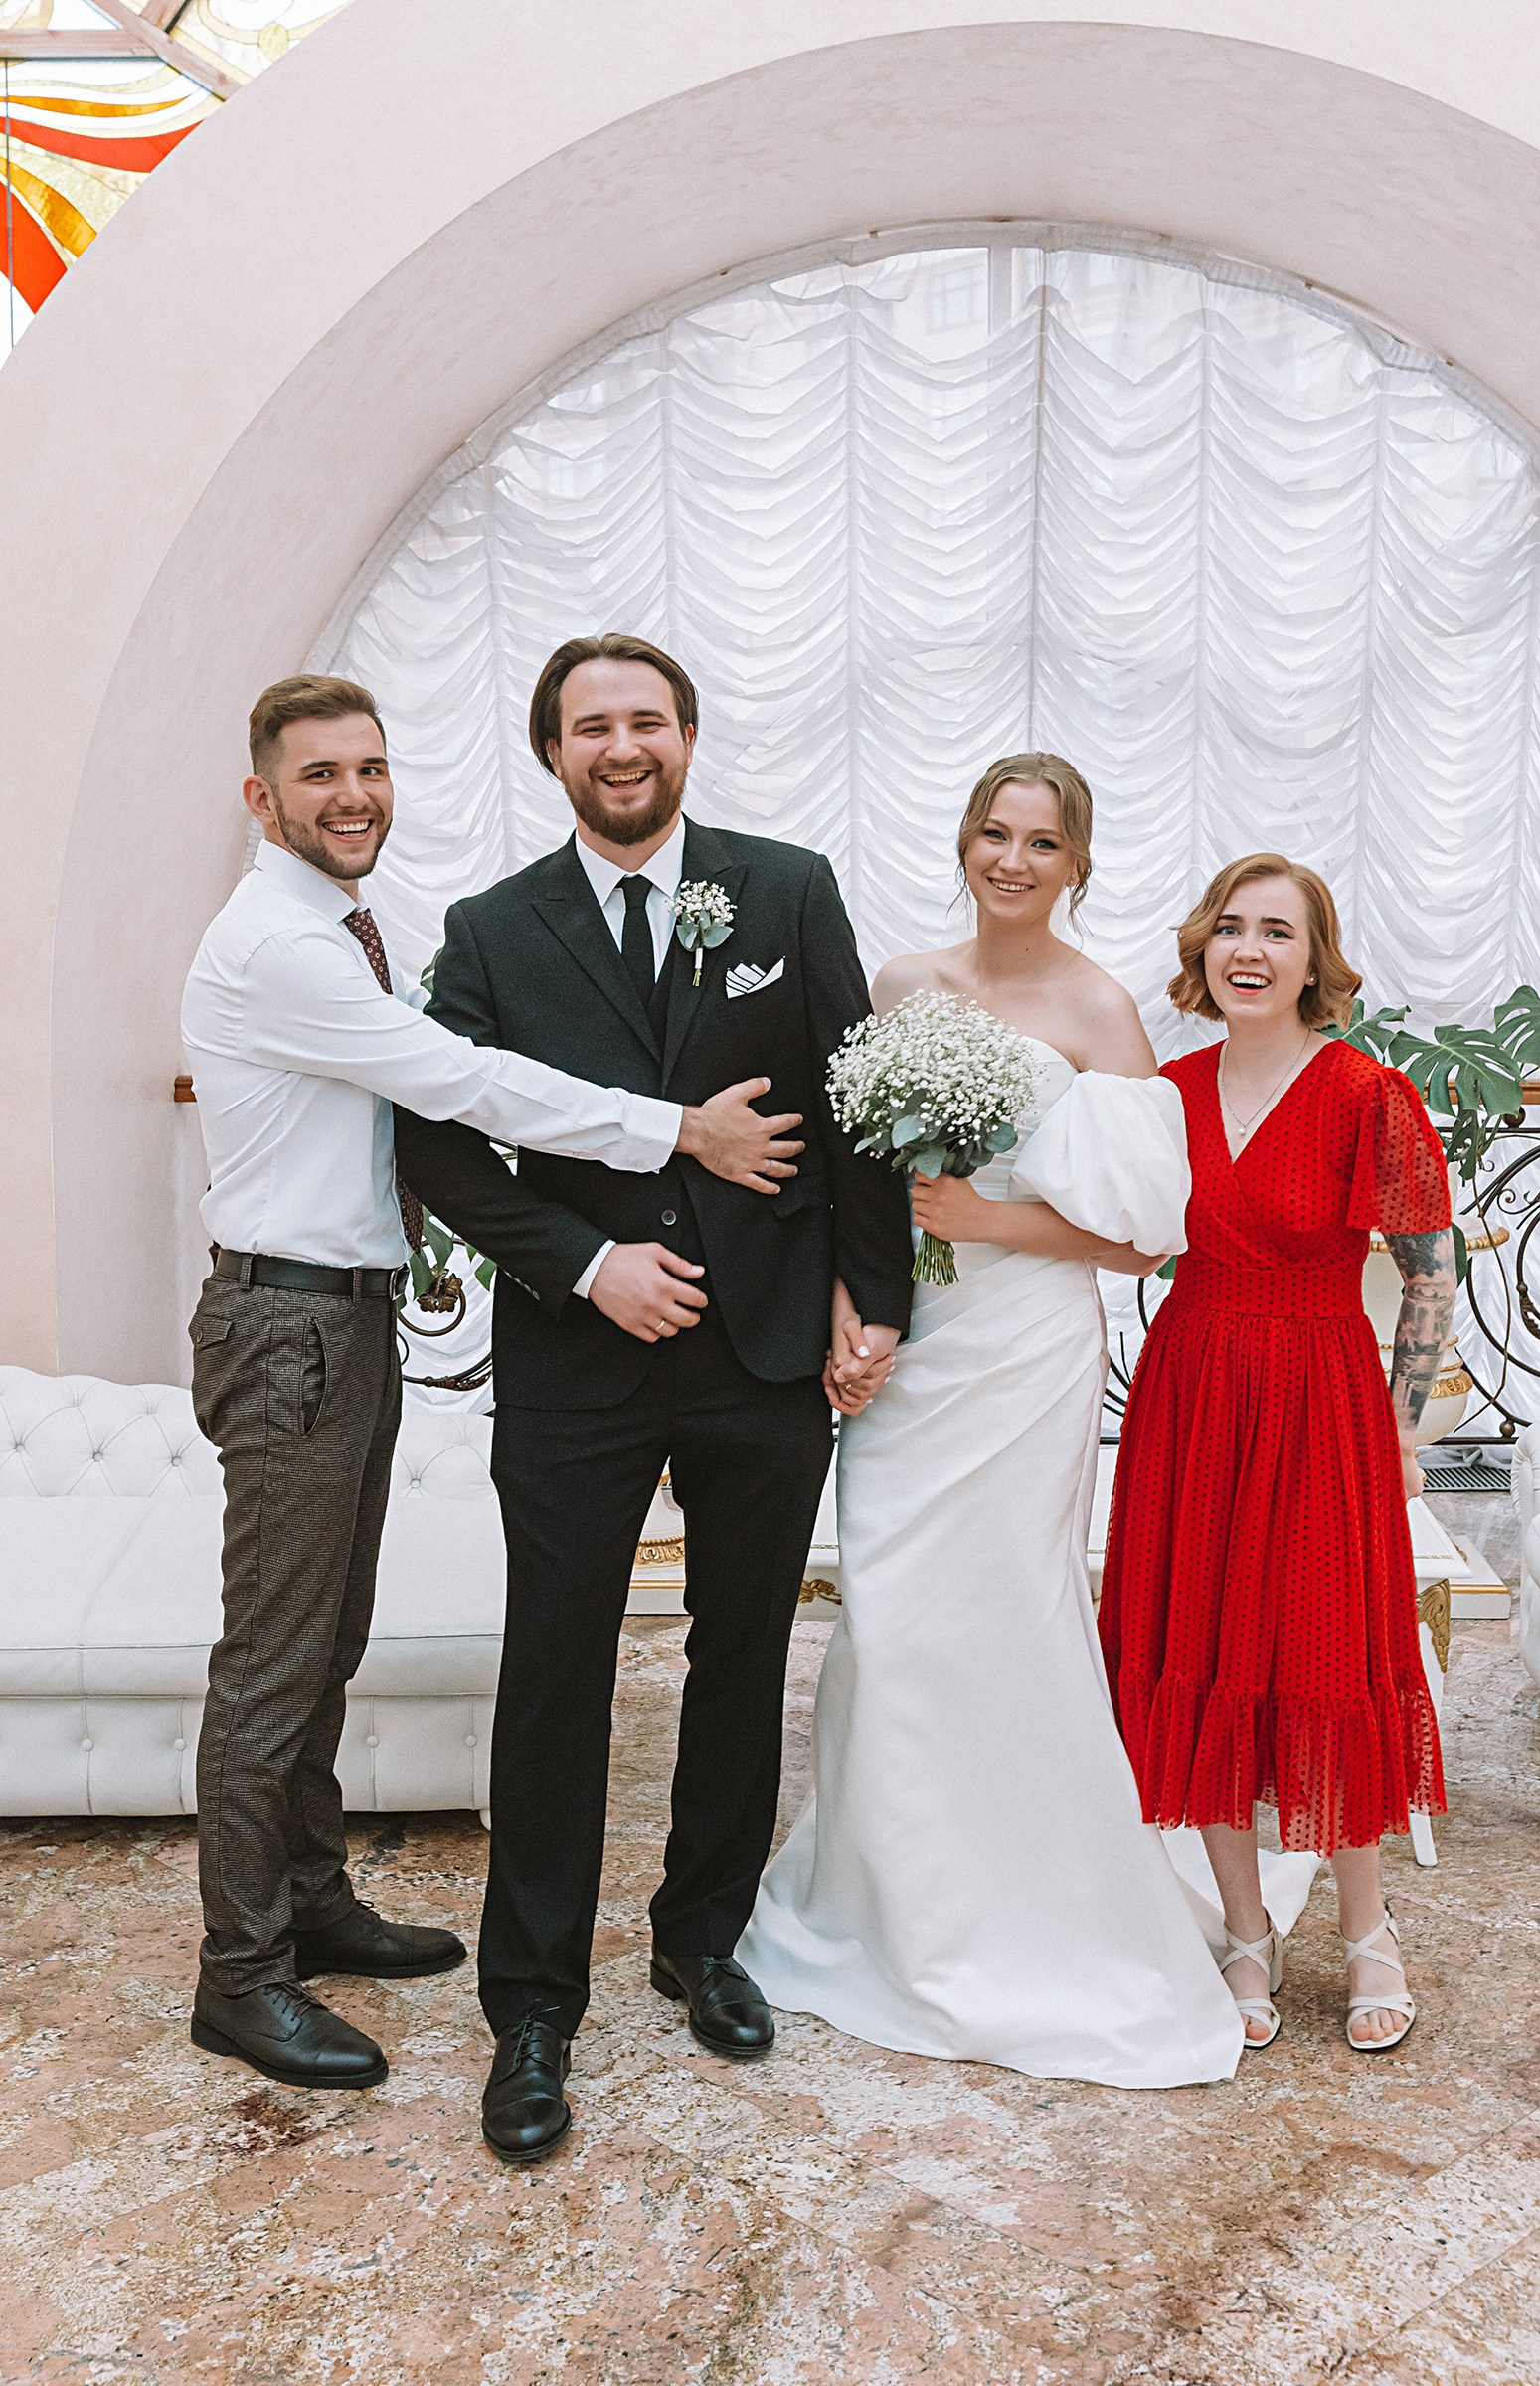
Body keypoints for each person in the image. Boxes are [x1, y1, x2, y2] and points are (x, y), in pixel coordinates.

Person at [182, 672, 801, 2095]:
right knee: (274, 1660)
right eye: (320, 774)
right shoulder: (277, 947)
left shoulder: (330, 928)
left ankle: (314, 1902)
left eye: (371, 768)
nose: (354, 795)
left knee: (324, 1640)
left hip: (339, 1318)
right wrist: (680, 1133)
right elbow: (466, 1087)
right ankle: (241, 1973)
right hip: (288, 1322)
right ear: (261, 797)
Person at [393, 632, 915, 2163]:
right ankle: (532, 2005)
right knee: (556, 1668)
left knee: (743, 1653)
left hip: (764, 1348)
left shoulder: (786, 889)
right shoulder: (494, 930)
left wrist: (874, 1296)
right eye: (590, 726)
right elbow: (433, 1137)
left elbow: (859, 1105)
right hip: (579, 1360)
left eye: (645, 721)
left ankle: (702, 1938)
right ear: (551, 752)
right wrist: (583, 1265)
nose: (621, 747)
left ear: (687, 736)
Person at [738, 755, 1249, 2087]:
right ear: (964, 844)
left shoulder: (1099, 1008)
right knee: (893, 1618)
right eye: (993, 834)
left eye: (1040, 842)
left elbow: (1147, 1238)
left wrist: (988, 1219)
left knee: (1009, 1612)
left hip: (1025, 1350)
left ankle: (1036, 1908)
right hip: (914, 1355)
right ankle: (886, 1906)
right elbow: (855, 1189)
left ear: (1077, 865)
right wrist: (854, 1315)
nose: (1012, 861)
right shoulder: (901, 985)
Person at [1098, 854, 1455, 2053]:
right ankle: (1244, 1932)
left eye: (1277, 933)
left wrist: (1397, 1431)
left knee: (1323, 1655)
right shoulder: (1167, 1093)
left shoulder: (1366, 1095)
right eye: (1230, 929)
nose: (1248, 951)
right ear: (1202, 951)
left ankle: (1364, 1929)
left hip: (1319, 1398)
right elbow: (1123, 1239)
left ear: (1314, 963)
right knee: (1201, 1647)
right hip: (1193, 1394)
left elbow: (1428, 1272)